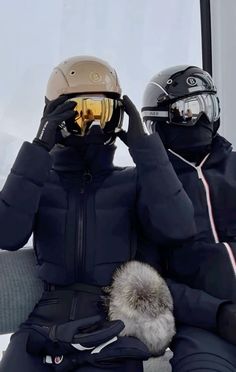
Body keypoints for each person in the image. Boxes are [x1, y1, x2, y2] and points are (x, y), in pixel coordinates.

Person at [0, 56, 195, 372]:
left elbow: (179, 228)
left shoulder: (131, 181)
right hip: (44, 322)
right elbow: (6, 235)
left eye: (103, 113)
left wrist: (146, 149)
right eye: (80, 113)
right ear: (55, 115)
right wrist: (39, 148)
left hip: (113, 324)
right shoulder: (40, 180)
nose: (92, 124)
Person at [141, 65, 236, 372]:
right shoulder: (147, 190)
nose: (204, 119)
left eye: (210, 106)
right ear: (161, 119)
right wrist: (218, 314)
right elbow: (149, 280)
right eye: (191, 109)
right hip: (204, 329)